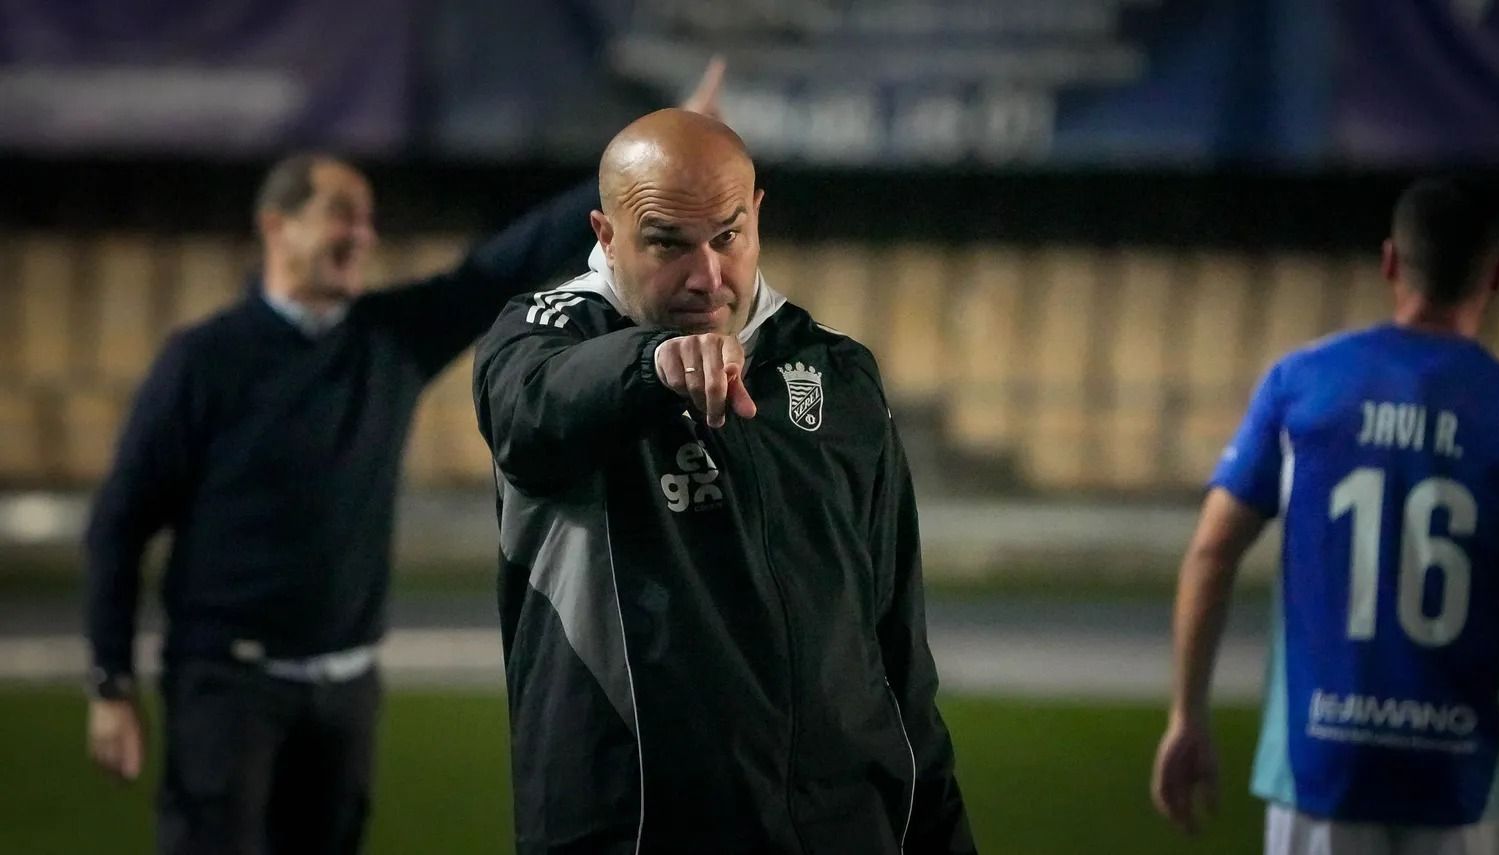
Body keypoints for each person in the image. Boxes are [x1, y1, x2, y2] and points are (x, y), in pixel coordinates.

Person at [82, 62, 727, 855]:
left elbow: (504, 262)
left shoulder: (387, 341)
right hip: (226, 686)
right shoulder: (204, 360)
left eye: (368, 218)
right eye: (342, 215)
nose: (364, 233)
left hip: (347, 689)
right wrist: (111, 678)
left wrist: (650, 160)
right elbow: (119, 523)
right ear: (278, 227)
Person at [472, 108, 976, 854]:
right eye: (667, 243)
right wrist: (652, 364)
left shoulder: (837, 372)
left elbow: (896, 645)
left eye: (727, 236)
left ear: (758, 216)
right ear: (606, 236)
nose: (706, 276)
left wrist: (940, 833)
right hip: (639, 829)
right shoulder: (548, 337)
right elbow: (528, 412)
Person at [1150, 176, 1499, 854]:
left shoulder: (1300, 386)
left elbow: (1212, 552)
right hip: (1466, 784)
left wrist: (1187, 714)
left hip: (1323, 770)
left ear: (1390, 261)